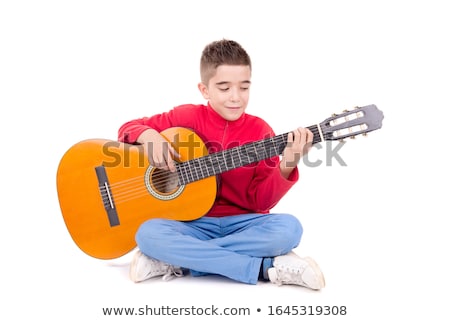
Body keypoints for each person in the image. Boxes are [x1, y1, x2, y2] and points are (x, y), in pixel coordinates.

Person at [118, 39, 325, 290]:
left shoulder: (260, 131)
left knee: (289, 229)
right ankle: (264, 267)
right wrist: (147, 136)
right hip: (191, 224)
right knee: (147, 233)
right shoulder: (185, 117)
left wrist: (289, 161)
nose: (235, 97)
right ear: (205, 90)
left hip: (243, 225)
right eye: (224, 88)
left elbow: (261, 202)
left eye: (244, 88)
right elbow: (128, 128)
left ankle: (177, 261)